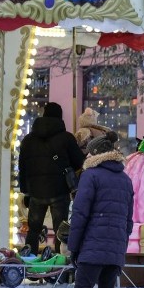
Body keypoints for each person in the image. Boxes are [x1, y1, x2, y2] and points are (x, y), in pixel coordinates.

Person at [58, 133, 133, 288]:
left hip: (92, 246)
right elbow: (129, 220)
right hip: (115, 248)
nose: (87, 155)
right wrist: (121, 244)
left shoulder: (91, 176)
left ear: (97, 154)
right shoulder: (125, 179)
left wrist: (73, 247)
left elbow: (80, 214)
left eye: (90, 152)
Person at [18, 102, 85, 255]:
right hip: (59, 191)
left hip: (35, 192)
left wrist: (26, 192)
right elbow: (80, 162)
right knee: (60, 231)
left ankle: (29, 263)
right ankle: (58, 267)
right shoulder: (67, 138)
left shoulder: (28, 140)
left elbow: (23, 168)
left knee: (33, 231)